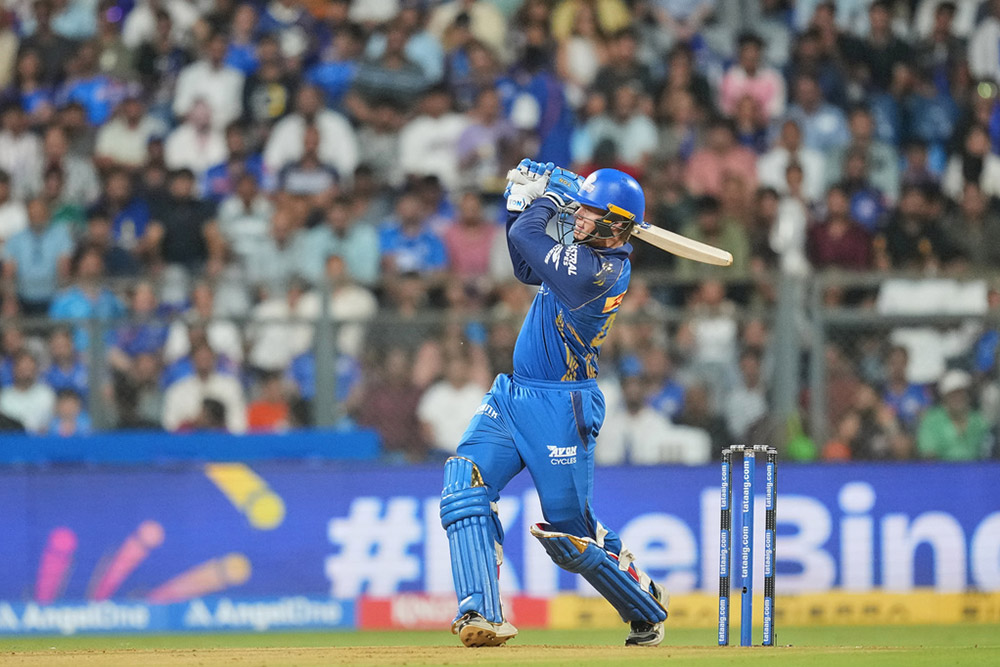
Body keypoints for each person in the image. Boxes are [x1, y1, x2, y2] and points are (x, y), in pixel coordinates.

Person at [440, 160, 667, 648]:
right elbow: (525, 262)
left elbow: (529, 237)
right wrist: (520, 203)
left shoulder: (602, 272)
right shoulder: (583, 253)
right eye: (578, 210)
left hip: (562, 408)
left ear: (614, 223)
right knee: (464, 483)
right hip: (514, 394)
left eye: (588, 212)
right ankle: (480, 611)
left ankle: (642, 603)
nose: (578, 218)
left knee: (568, 536)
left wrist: (550, 198)